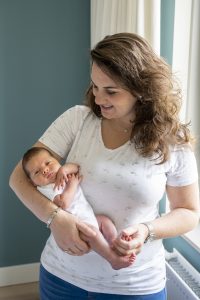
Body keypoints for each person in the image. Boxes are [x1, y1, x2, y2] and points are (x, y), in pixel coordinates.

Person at [9, 32, 199, 299]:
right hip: (60, 278)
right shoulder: (78, 120)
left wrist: (147, 231)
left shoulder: (172, 141)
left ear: (141, 89)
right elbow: (18, 176)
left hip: (133, 286)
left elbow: (188, 212)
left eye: (111, 91)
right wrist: (55, 218)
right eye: (95, 87)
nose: (98, 99)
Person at [22, 146, 136, 270]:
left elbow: (76, 167)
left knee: (104, 220)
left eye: (48, 163)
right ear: (33, 182)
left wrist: (65, 169)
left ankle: (114, 243)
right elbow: (63, 203)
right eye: (37, 172)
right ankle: (112, 259)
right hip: (76, 228)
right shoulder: (46, 189)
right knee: (93, 234)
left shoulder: (62, 174)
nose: (45, 170)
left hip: (88, 217)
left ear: (57, 161)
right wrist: (72, 184)